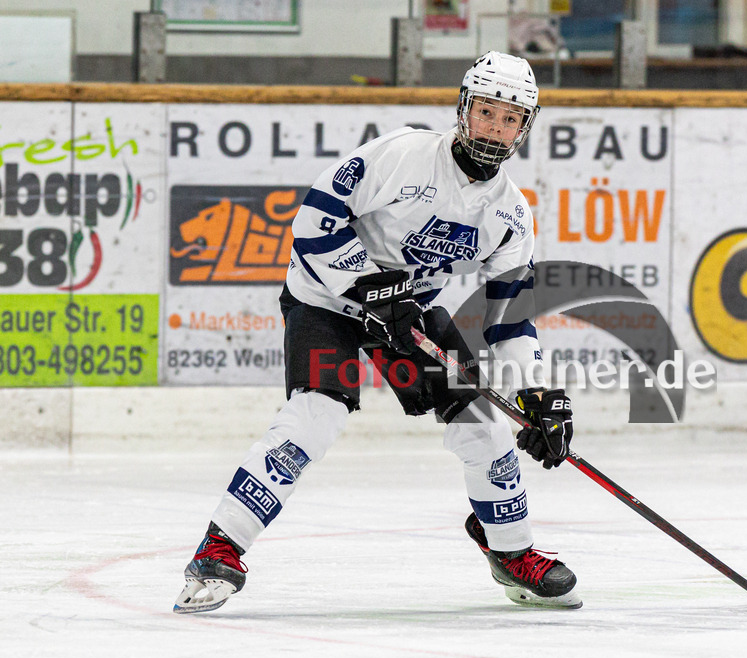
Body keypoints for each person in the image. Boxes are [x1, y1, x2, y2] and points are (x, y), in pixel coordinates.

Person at [173, 51, 582, 614]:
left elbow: (510, 317)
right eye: (487, 111)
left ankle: (510, 551)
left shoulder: (509, 214)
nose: (496, 128)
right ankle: (219, 549)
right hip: (328, 303)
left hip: (408, 318)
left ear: (525, 127)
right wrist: (368, 288)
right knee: (316, 416)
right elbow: (313, 223)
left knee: (484, 423)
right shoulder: (403, 156)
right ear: (464, 108)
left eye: (510, 119)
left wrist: (533, 393)